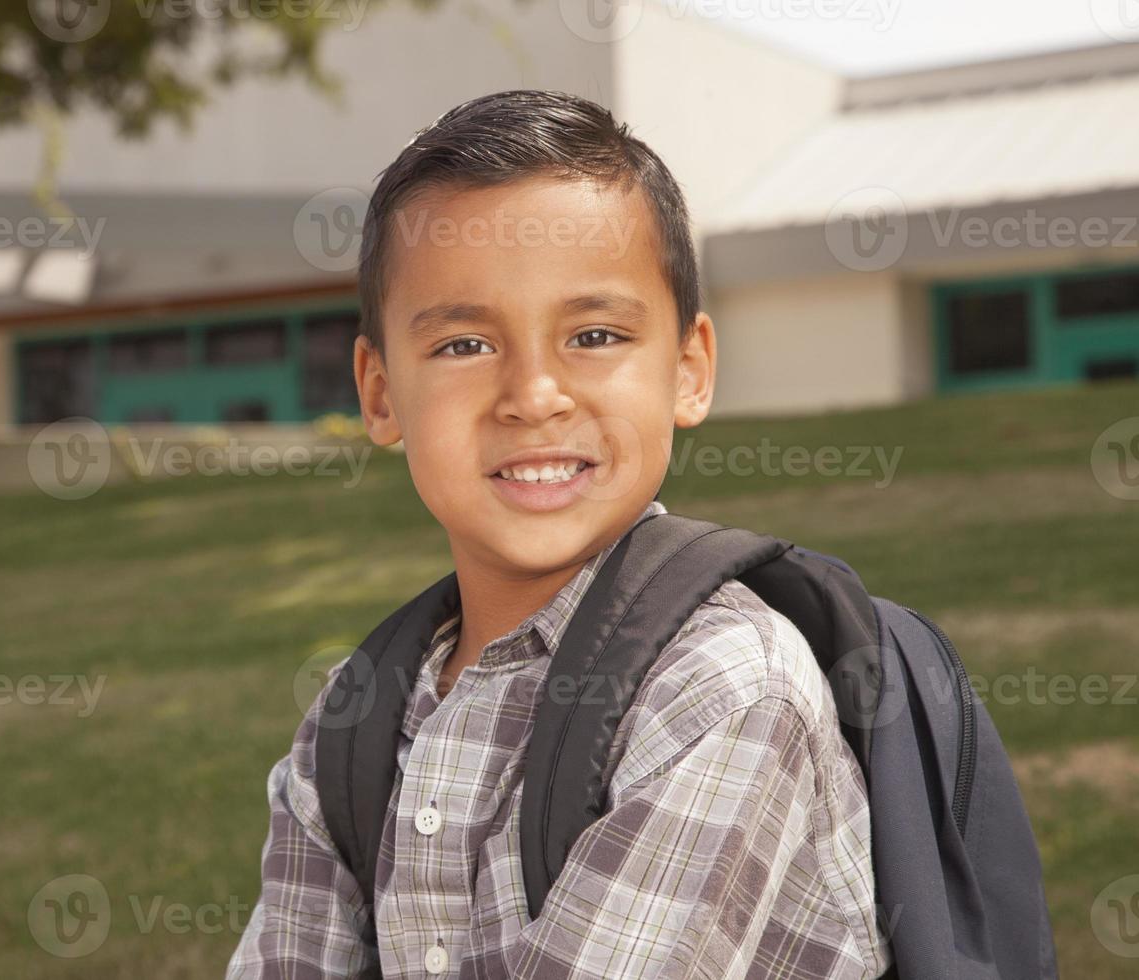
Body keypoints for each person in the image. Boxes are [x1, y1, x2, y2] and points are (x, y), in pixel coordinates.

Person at [225, 89, 892, 979]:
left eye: (594, 334)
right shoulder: (353, 722)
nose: (534, 393)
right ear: (380, 393)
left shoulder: (723, 687)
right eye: (464, 345)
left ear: (689, 371)